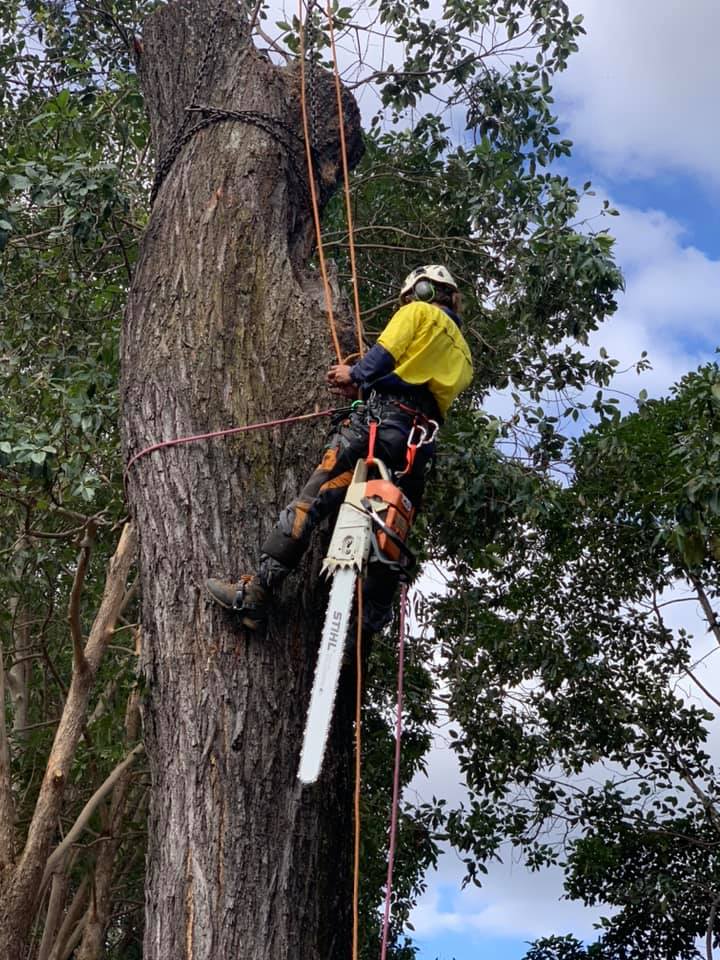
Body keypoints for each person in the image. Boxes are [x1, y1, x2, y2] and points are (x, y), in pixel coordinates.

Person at [207, 264, 473, 632]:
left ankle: (258, 592)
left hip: (378, 428)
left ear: (423, 292)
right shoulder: (463, 351)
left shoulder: (417, 313)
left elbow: (387, 352)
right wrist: (366, 386)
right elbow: (414, 382)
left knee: (313, 498)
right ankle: (363, 630)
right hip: (415, 449)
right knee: (388, 531)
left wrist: (356, 374)